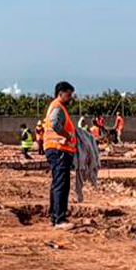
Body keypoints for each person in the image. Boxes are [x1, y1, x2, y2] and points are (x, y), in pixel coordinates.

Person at [43, 81, 77, 228]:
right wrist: (68, 136)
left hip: (55, 149)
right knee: (61, 184)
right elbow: (55, 123)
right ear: (60, 94)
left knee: (57, 183)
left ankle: (54, 217)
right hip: (59, 149)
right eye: (68, 95)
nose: (70, 98)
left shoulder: (57, 107)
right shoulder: (58, 107)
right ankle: (59, 219)